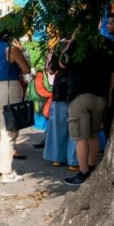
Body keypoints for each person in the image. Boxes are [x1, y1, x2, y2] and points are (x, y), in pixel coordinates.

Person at [63, 34, 114, 185]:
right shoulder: (106, 42)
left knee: (81, 137)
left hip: (80, 96)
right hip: (100, 97)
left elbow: (61, 62)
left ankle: (83, 172)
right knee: (94, 135)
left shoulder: (77, 42)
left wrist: (71, 41)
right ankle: (92, 168)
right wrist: (109, 95)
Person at [0, 30, 31, 183]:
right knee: (9, 133)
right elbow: (26, 69)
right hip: (8, 89)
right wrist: (22, 51)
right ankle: (7, 172)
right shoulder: (12, 49)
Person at [43, 38, 79, 171]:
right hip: (77, 89)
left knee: (58, 127)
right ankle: (73, 161)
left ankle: (57, 158)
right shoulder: (84, 44)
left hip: (60, 90)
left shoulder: (60, 45)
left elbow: (51, 70)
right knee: (75, 128)